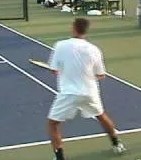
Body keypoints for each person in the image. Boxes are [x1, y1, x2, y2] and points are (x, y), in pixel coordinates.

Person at [47, 18, 126, 160]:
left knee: (53, 124)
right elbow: (101, 75)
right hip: (90, 92)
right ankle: (117, 144)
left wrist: (65, 71)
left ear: (74, 28)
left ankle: (59, 158)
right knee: (101, 116)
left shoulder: (60, 46)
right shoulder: (94, 49)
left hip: (69, 93)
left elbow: (54, 70)